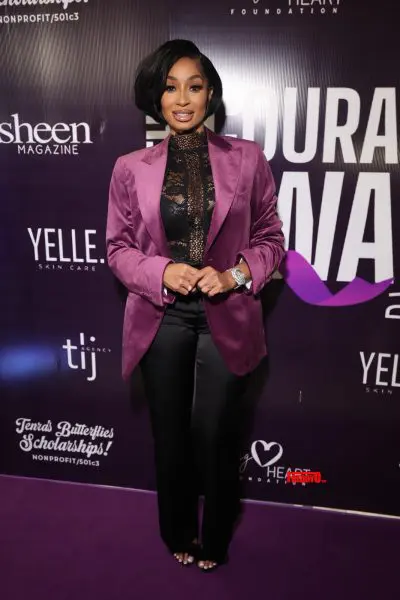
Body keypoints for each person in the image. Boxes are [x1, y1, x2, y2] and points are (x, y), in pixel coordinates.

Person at [106, 39, 285, 572]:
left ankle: (217, 537)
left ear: (210, 94)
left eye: (194, 86)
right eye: (170, 88)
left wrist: (233, 275)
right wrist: (162, 271)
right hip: (160, 317)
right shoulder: (129, 168)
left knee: (214, 435)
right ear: (155, 97)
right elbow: (118, 249)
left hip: (226, 314)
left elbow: (271, 239)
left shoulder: (247, 159)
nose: (182, 99)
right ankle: (177, 531)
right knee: (170, 436)